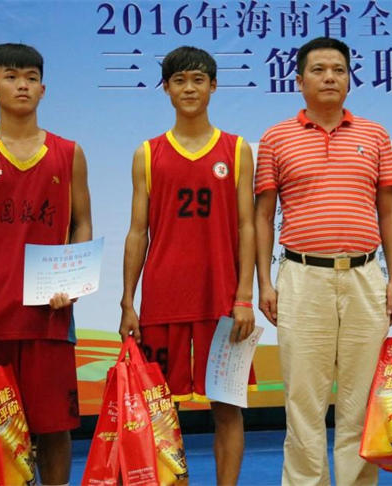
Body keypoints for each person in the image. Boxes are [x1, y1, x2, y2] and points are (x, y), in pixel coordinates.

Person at [254, 36, 392, 486]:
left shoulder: (374, 135)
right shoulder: (276, 137)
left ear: (350, 80)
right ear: (299, 81)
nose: (330, 78)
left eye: (338, 70)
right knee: (303, 402)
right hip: (302, 277)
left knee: (361, 401)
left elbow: (390, 211)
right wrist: (265, 283)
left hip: (365, 277)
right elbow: (262, 217)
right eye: (318, 70)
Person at [0, 43, 92, 485]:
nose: (22, 85)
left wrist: (74, 283)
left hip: (49, 316)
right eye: (11, 76)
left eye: (31, 77)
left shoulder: (69, 153)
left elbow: (82, 223)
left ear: (43, 89)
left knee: (55, 429)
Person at [119, 45, 256, 486]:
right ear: (166, 89)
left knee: (227, 408)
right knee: (161, 408)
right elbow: (137, 231)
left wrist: (245, 296)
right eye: (179, 80)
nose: (189, 88)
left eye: (198, 79)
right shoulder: (147, 153)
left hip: (222, 298)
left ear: (213, 86)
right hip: (163, 299)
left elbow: (247, 227)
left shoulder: (237, 149)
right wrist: (127, 302)